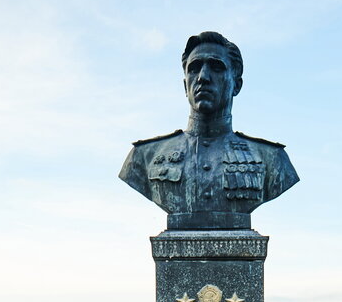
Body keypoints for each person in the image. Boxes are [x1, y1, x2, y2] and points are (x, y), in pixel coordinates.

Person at [119, 32, 298, 230]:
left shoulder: (272, 158)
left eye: (216, 67)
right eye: (194, 69)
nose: (203, 77)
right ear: (185, 85)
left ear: (236, 85)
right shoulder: (144, 156)